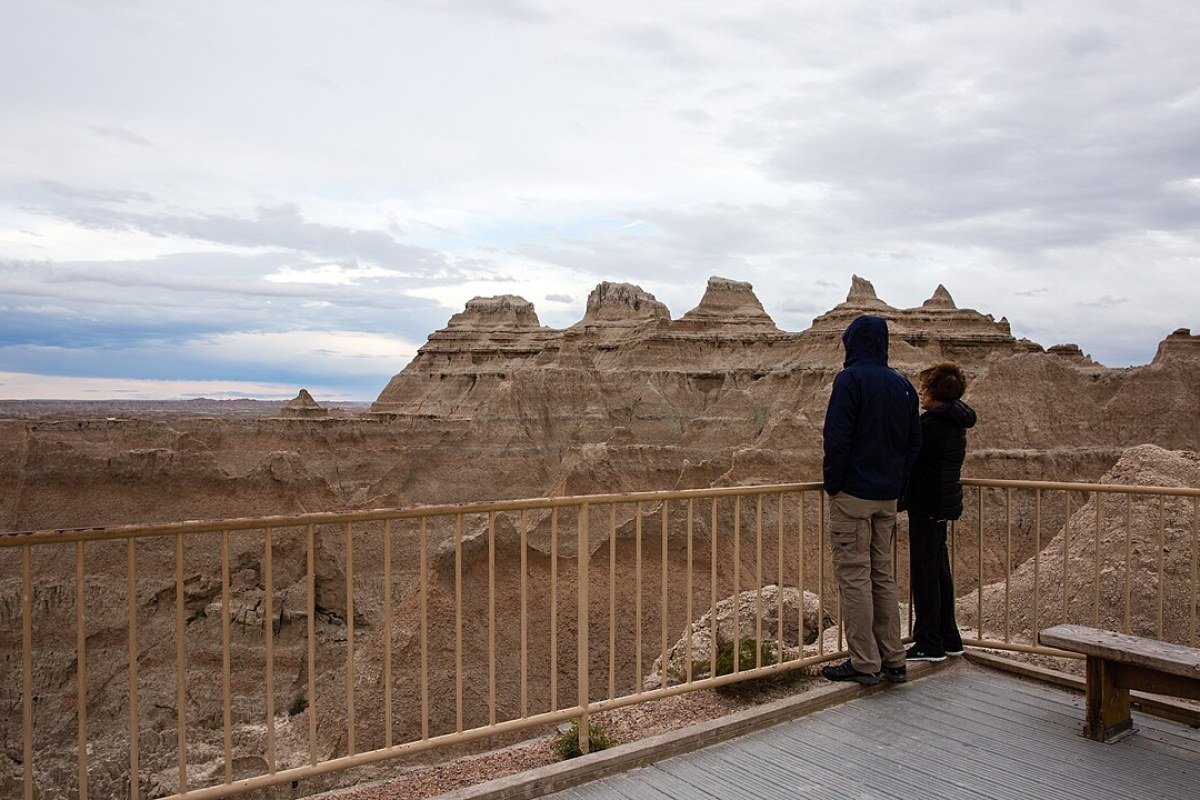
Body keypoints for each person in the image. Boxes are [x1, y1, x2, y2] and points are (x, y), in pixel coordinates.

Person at [821, 315, 922, 685]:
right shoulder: (903, 385)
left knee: (854, 578)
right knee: (883, 575)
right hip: (887, 498)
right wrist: (897, 483)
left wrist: (834, 484)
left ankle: (864, 662)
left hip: (854, 496)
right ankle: (893, 658)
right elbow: (915, 443)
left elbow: (838, 437)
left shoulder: (850, 380)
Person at [902, 361, 976, 662]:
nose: (920, 391)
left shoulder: (932, 424)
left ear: (937, 392)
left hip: (927, 504)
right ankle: (950, 637)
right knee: (939, 572)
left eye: (925, 386)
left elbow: (912, 458)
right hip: (942, 504)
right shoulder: (956, 419)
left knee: (925, 574)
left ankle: (928, 643)